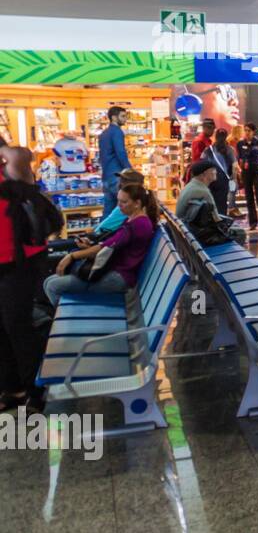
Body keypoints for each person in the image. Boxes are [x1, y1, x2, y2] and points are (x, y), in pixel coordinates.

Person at [0, 146, 63, 412]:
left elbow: (22, 156)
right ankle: (13, 388)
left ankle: (36, 389)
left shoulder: (12, 174)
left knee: (18, 325)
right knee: (2, 329)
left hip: (19, 263)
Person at [44, 183, 158, 307]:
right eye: (118, 201)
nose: (119, 206)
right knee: (49, 281)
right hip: (113, 270)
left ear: (137, 203)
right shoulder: (131, 220)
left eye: (124, 202)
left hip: (119, 278)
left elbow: (105, 247)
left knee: (52, 286)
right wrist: (88, 248)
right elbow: (111, 246)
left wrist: (72, 256)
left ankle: (70, 319)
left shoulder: (139, 224)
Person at [99, 105, 131, 213]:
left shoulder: (104, 133)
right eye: (122, 116)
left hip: (106, 175)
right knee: (122, 210)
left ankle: (102, 230)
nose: (125, 119)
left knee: (108, 210)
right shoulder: (117, 132)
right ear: (113, 117)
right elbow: (121, 153)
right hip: (116, 175)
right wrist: (129, 170)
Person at [236, 123, 258, 230]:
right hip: (246, 172)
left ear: (253, 131)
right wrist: (241, 170)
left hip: (257, 171)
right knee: (249, 198)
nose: (247, 132)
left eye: (249, 130)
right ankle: (253, 223)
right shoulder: (240, 144)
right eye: (245, 130)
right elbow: (239, 158)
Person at [202, 127, 237, 214]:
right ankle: (221, 222)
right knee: (222, 203)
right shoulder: (229, 149)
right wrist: (233, 179)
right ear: (226, 136)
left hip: (210, 179)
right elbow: (235, 166)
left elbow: (202, 162)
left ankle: (213, 221)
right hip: (224, 180)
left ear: (215, 136)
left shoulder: (208, 149)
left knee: (211, 202)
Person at [176, 159, 219, 225]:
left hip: (183, 227)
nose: (216, 172)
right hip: (191, 230)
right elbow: (216, 219)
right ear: (203, 175)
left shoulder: (191, 185)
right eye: (213, 170)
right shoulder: (202, 191)